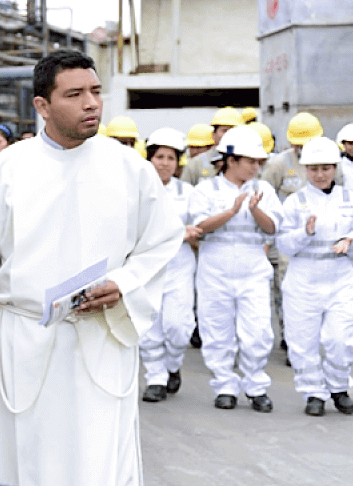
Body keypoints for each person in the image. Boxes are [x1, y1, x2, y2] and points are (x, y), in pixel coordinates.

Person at [0, 50, 184, 486]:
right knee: (22, 457)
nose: (91, 103)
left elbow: (163, 240)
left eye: (95, 91)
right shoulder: (5, 171)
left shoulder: (130, 169)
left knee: (96, 459)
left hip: (100, 340)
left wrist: (123, 283)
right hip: (23, 340)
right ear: (42, 106)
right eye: (75, 94)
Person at [190, 126, 283, 411]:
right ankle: (225, 385)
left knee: (257, 332)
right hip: (214, 271)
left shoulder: (263, 189)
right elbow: (199, 228)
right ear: (231, 160)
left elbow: (273, 228)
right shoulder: (206, 190)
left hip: (253, 271)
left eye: (259, 162)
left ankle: (256, 386)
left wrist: (255, 210)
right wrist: (230, 212)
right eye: (251, 161)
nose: (257, 167)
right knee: (217, 330)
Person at [272, 137, 353, 416]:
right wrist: (304, 233)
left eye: (326, 168)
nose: (320, 174)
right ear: (306, 169)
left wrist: (350, 240)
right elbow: (283, 245)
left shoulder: (349, 197)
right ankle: (313, 393)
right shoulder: (295, 202)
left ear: (335, 168)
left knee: (340, 339)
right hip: (304, 280)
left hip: (341, 278)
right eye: (314, 168)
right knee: (303, 341)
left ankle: (339, 388)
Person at [136, 128, 199, 403]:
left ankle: (173, 366)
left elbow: (200, 227)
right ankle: (156, 379)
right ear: (149, 159)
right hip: (147, 267)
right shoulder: (138, 191)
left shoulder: (189, 192)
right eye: (159, 156)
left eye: (171, 158)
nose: (164, 163)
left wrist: (191, 233)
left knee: (178, 327)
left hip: (180, 265)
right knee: (150, 327)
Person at [182, 107, 245, 185]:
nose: (229, 134)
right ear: (214, 135)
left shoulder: (250, 163)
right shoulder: (196, 164)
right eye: (224, 130)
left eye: (233, 131)